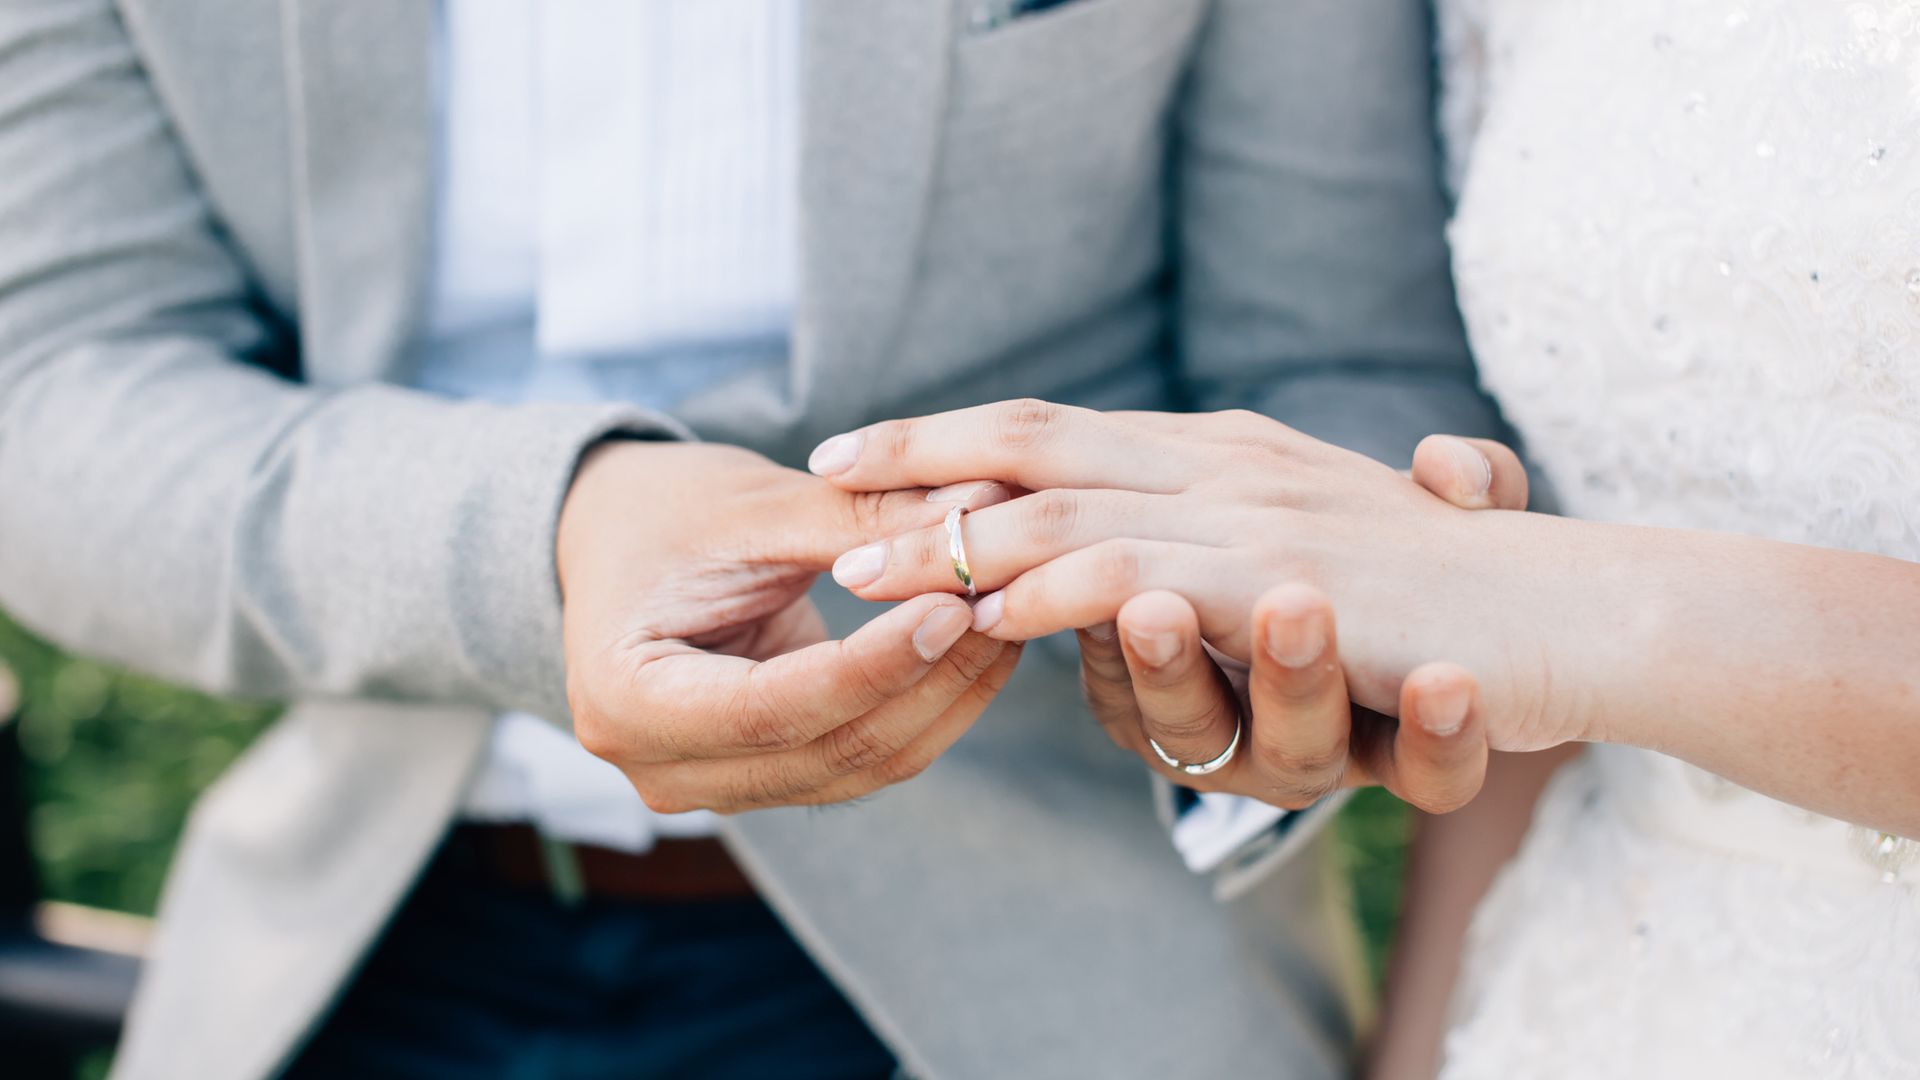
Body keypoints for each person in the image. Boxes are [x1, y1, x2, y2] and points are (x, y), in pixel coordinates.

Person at [0, 1, 1513, 1077]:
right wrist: (551, 531)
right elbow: (53, 390)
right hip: (358, 944)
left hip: (1053, 966)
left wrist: (1243, 622)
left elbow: (1339, 352)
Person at [807, 1, 1920, 1075]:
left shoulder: (1537, 600)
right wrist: (1421, 1045)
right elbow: (1525, 700)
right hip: (1589, 987)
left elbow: (1526, 613)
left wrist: (1542, 597)